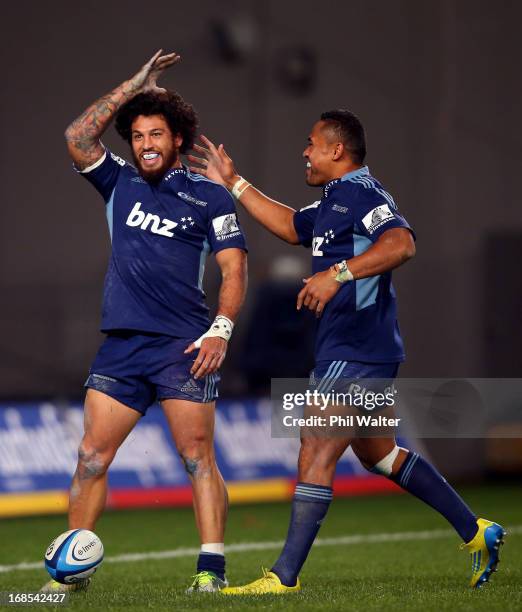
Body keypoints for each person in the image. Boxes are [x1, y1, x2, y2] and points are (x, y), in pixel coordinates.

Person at [188, 110, 506, 593]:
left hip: (360, 347)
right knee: (380, 455)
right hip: (355, 347)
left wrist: (337, 275)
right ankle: (477, 531)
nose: (305, 152)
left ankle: (284, 576)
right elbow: (293, 226)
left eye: (311, 143)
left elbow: (402, 244)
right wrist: (233, 183)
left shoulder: (365, 193)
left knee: (315, 445)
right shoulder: (334, 201)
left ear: (337, 150)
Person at [41, 51, 247, 594]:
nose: (145, 144)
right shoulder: (119, 183)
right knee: (90, 458)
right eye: (136, 135)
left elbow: (234, 267)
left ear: (177, 138)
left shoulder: (210, 196)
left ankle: (211, 573)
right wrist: (131, 85)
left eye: (156, 134)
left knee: (197, 458)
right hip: (122, 346)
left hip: (185, 346)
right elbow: (78, 137)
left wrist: (220, 330)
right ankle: (70, 576)